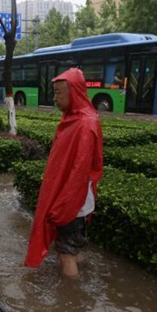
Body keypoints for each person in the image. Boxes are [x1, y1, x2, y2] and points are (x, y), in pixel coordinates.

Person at [24, 68, 103, 277]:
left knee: (64, 253)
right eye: (55, 92)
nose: (55, 98)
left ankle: (72, 300)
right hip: (74, 202)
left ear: (74, 92)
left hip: (72, 203)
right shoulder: (74, 118)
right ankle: (85, 276)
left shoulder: (85, 124)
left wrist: (63, 206)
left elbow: (79, 171)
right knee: (72, 248)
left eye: (59, 93)